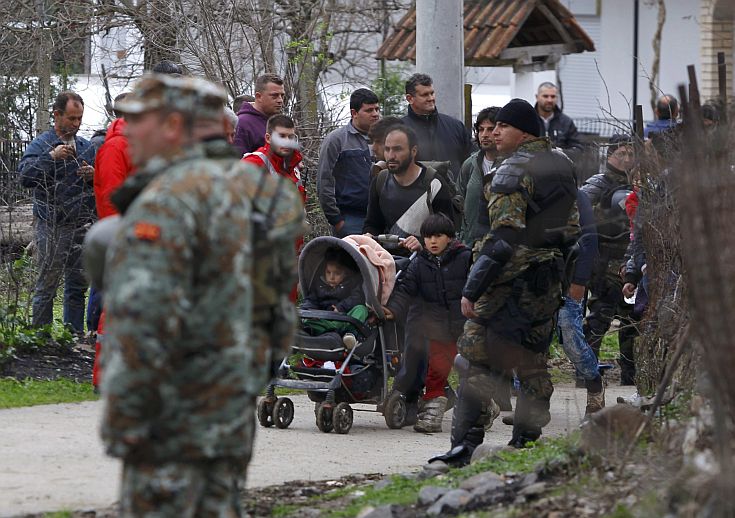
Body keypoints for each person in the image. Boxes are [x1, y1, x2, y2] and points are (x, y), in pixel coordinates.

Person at [99, 73, 304, 516]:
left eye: (139, 120)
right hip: (229, 413)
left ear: (173, 125)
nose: (128, 129)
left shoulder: (167, 202)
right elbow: (279, 309)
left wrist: (124, 420)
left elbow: (142, 320)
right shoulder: (265, 192)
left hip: (170, 418)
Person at [431, 98, 579, 465]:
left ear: (524, 132)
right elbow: (572, 230)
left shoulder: (511, 171)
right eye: (492, 127)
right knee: (531, 360)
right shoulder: (561, 164)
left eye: (503, 127)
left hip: (510, 283)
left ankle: (463, 448)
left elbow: (504, 237)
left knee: (477, 361)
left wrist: (472, 287)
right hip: (547, 282)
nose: (494, 133)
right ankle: (525, 443)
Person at [384, 213, 471, 433]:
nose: (432, 241)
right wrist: (392, 309)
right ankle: (432, 414)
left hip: (465, 327)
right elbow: (405, 289)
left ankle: (481, 408)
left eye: (438, 236)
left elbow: (478, 285)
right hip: (438, 329)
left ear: (449, 238)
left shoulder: (465, 258)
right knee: (436, 372)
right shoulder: (419, 264)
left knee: (472, 373)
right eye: (428, 237)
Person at [18, 90, 96, 333]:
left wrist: (94, 176)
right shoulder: (42, 144)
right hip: (51, 225)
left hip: (82, 226)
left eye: (80, 118)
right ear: (57, 115)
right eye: (72, 118)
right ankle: (40, 339)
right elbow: (25, 177)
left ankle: (73, 337)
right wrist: (51, 157)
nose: (76, 124)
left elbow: (101, 183)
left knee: (77, 287)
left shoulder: (85, 147)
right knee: (47, 286)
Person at [581, 134, 637, 385]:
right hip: (603, 261)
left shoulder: (639, 183)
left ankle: (631, 375)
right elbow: (579, 212)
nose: (626, 159)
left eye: (630, 154)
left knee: (631, 321)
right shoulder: (598, 184)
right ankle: (586, 374)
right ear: (610, 154)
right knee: (598, 319)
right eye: (621, 153)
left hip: (630, 259)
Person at [363, 125, 454, 252]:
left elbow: (448, 234)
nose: (391, 155)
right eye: (387, 149)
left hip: (424, 264)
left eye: (397, 149)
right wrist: (368, 236)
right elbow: (372, 223)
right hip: (388, 261)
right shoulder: (380, 181)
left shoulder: (434, 184)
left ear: (414, 151)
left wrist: (422, 245)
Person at [317, 88, 380, 237]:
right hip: (351, 218)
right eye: (369, 110)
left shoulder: (385, 139)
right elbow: (324, 180)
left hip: (381, 219)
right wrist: (336, 219)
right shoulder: (337, 140)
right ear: (354, 113)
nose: (376, 114)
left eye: (377, 109)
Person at [401, 73, 473, 180]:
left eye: (432, 93)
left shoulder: (456, 126)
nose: (431, 98)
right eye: (425, 95)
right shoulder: (399, 129)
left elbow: (470, 163)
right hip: (415, 195)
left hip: (453, 194)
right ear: (410, 98)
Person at [301, 248, 369, 349]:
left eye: (337, 273)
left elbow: (357, 297)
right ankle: (323, 335)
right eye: (328, 272)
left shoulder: (351, 283)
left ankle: (349, 336)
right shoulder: (319, 285)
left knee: (361, 309)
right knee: (306, 320)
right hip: (325, 320)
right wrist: (308, 311)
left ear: (346, 273)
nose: (331, 277)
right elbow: (311, 300)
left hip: (346, 320)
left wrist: (341, 307)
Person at [458, 106, 500, 247]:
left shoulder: (511, 165)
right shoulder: (470, 165)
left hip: (500, 247)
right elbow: (458, 205)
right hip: (470, 245)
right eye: (481, 129)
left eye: (490, 129)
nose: (485, 134)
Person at [242, 114, 305, 203]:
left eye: (291, 137)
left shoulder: (293, 164)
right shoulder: (252, 164)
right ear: (268, 138)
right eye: (281, 136)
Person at [233, 73, 285, 155]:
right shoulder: (242, 124)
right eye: (274, 96)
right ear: (259, 96)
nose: (280, 100)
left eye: (282, 95)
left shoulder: (278, 121)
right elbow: (237, 163)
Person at [534, 82, 584, 160]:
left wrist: (560, 152)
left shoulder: (566, 122)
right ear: (537, 97)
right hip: (532, 169)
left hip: (559, 169)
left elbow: (578, 149)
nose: (549, 100)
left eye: (553, 96)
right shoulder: (529, 120)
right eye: (545, 96)